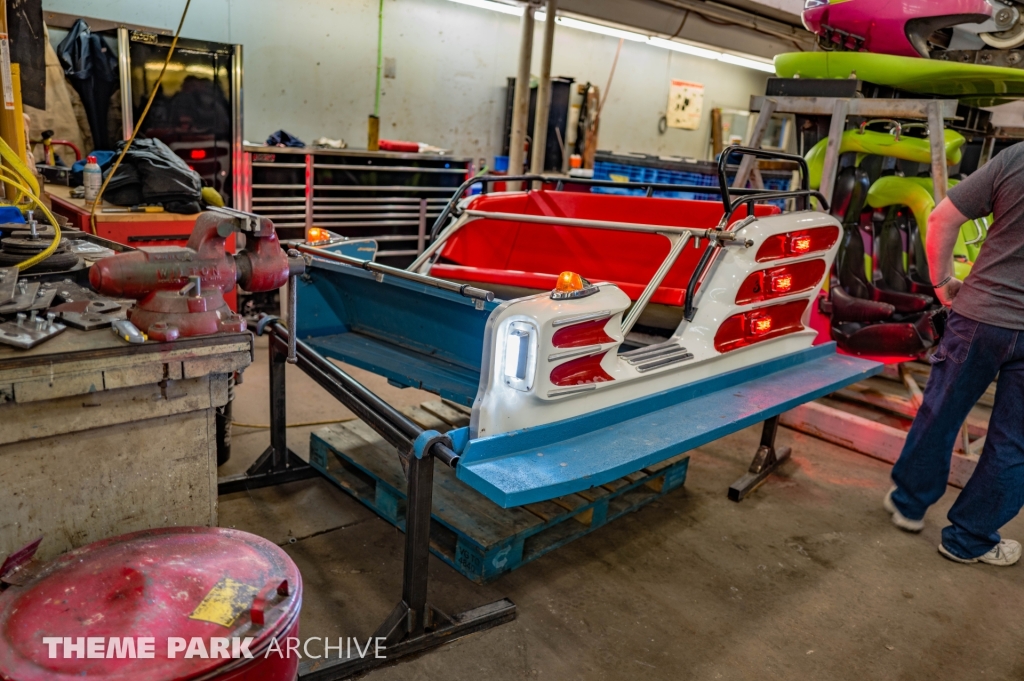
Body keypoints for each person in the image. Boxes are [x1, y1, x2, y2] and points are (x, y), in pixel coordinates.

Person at [885, 144, 1024, 566]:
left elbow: (941, 218)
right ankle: (968, 539)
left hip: (981, 314)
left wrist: (941, 281)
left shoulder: (1017, 158)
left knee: (941, 412)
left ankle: (909, 505)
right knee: (1014, 442)